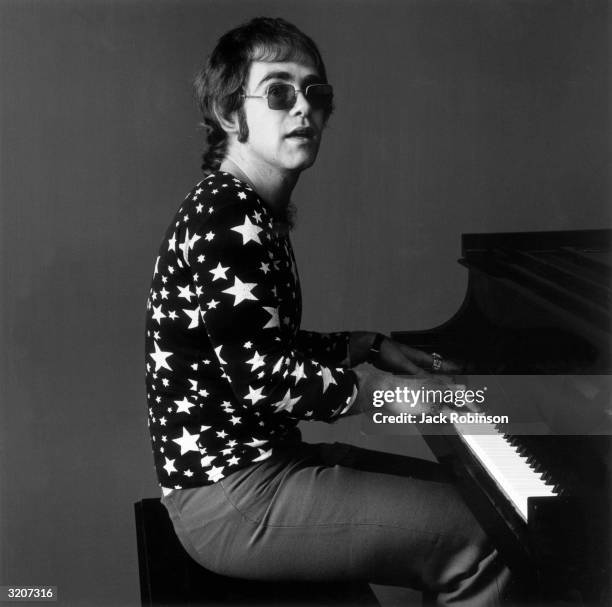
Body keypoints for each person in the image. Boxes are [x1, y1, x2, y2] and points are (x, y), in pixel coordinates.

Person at [144, 16, 515, 606]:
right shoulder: (229, 218)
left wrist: (366, 346)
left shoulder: (243, 207)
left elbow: (255, 343)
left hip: (264, 467)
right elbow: (260, 378)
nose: (303, 110)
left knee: (479, 501)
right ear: (226, 113)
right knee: (482, 538)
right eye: (279, 91)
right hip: (234, 498)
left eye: (316, 93)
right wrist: (385, 393)